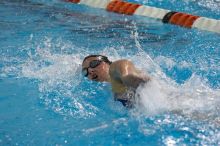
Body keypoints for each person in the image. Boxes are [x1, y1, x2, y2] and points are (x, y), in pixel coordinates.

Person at [82, 55, 151, 107]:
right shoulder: (108, 90)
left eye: (94, 64)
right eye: (85, 71)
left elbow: (128, 76)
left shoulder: (115, 66)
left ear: (107, 63)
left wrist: (129, 79)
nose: (90, 71)